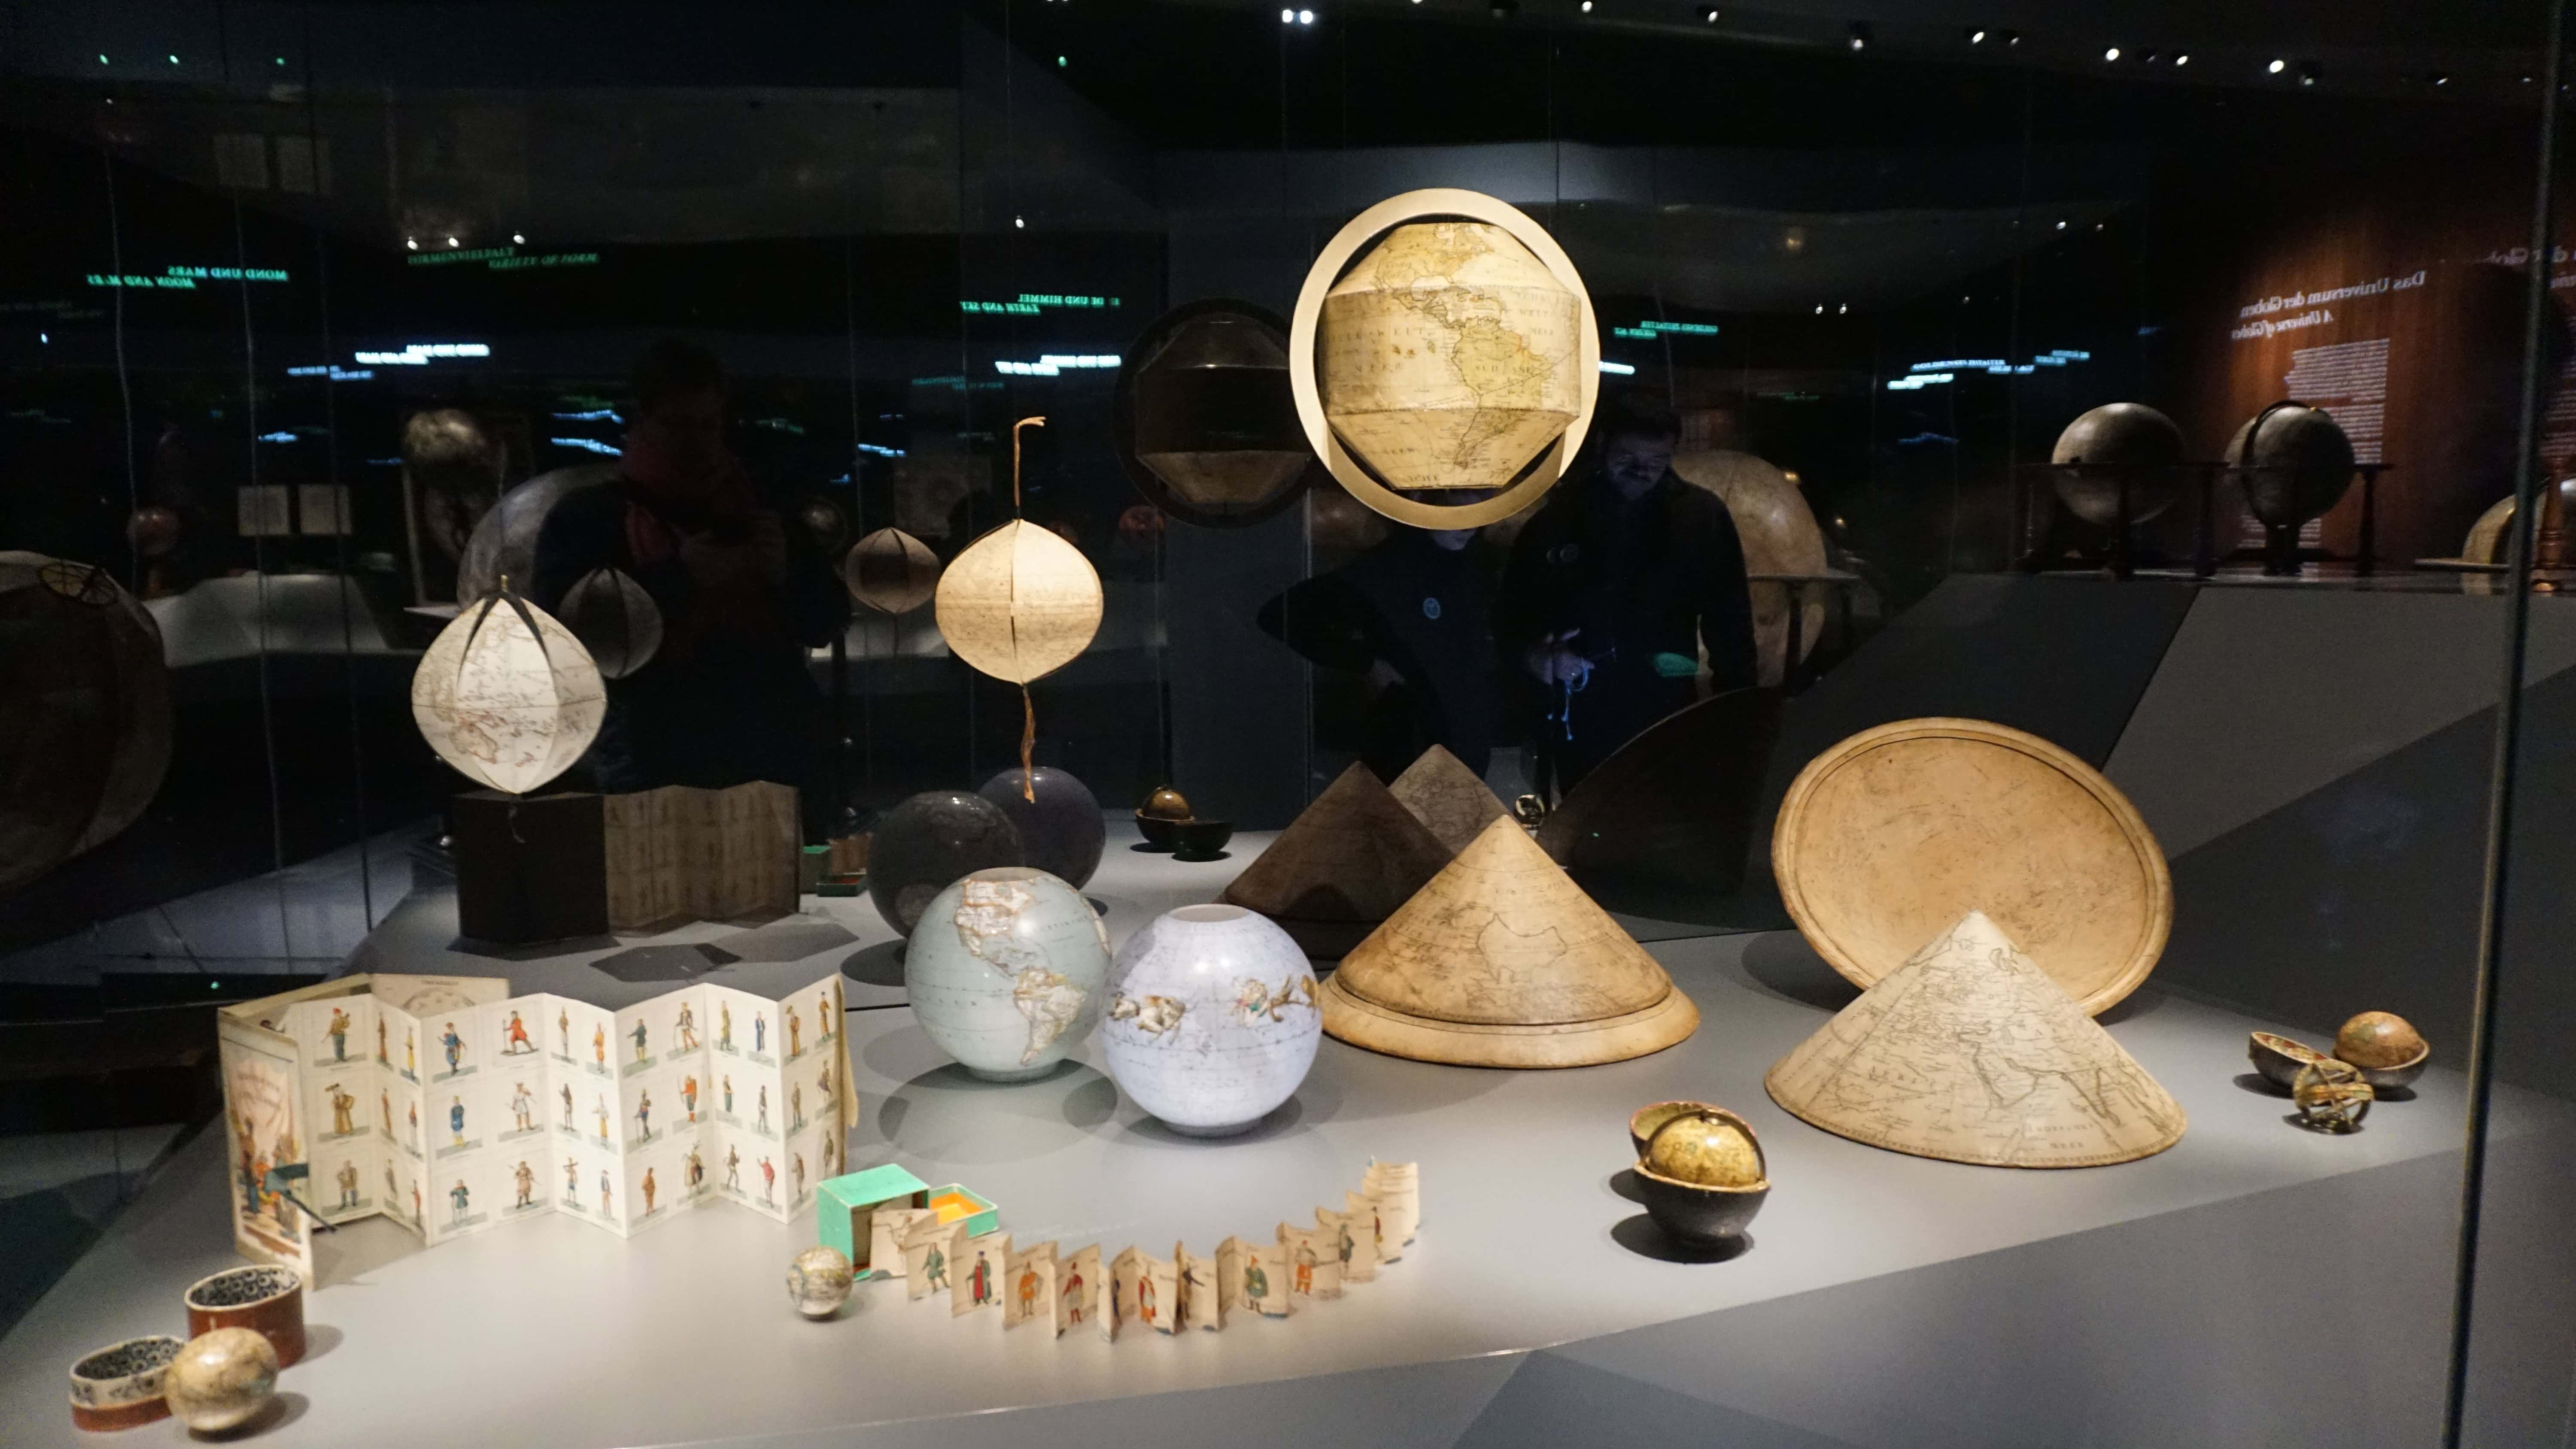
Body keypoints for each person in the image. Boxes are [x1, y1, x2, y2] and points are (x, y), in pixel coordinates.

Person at [534, 338, 849, 804]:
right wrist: (681, 575)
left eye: (708, 425)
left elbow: (827, 621)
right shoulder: (591, 517)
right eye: (679, 426)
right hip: (653, 756)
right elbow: (568, 639)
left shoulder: (764, 508)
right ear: (642, 419)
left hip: (774, 750)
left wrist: (785, 573)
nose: (697, 442)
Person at [1500, 392, 1757, 792]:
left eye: (1657, 462)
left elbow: (1731, 621)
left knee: (1661, 811)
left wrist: (1738, 710)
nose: (1641, 472)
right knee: (1584, 815)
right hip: (1580, 708)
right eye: (1628, 458)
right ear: (1602, 444)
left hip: (1666, 705)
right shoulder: (1559, 518)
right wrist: (1536, 657)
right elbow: (1513, 613)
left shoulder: (1700, 518)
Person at [1258, 492, 1501, 781]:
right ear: (1428, 505)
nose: (1469, 527)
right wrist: (1367, 663)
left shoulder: (1476, 563)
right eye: (1458, 514)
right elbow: (1280, 615)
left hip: (1466, 733)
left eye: (1476, 514)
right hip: (1410, 737)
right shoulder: (1388, 568)